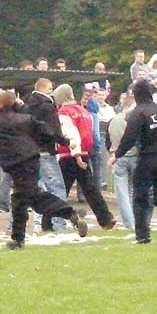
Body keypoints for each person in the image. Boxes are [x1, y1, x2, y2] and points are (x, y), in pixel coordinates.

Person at [0, 91, 88, 249]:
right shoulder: (26, 119)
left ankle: (70, 213)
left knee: (34, 197)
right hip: (32, 161)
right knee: (20, 201)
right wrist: (65, 141)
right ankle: (18, 240)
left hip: (15, 165)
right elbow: (48, 131)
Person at [108, 80, 157, 244]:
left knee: (141, 197)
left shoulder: (138, 112)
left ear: (136, 95)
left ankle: (142, 236)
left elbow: (129, 137)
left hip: (147, 158)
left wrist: (117, 154)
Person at [52, 84, 117, 230]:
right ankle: (105, 218)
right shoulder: (84, 111)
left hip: (70, 154)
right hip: (85, 153)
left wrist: (76, 154)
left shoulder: (64, 113)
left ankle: (51, 220)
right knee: (90, 189)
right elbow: (90, 134)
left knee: (60, 189)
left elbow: (70, 134)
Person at [26, 78, 69, 231]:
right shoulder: (48, 107)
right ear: (47, 89)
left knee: (34, 189)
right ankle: (60, 224)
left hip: (30, 152)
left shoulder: (27, 106)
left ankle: (36, 225)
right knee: (57, 187)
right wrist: (65, 142)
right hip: (45, 151)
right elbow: (54, 130)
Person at [107, 92, 137, 229]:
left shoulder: (113, 120)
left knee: (122, 193)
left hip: (118, 157)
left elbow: (108, 141)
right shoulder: (135, 119)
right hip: (135, 156)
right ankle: (134, 221)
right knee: (132, 191)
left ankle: (129, 223)